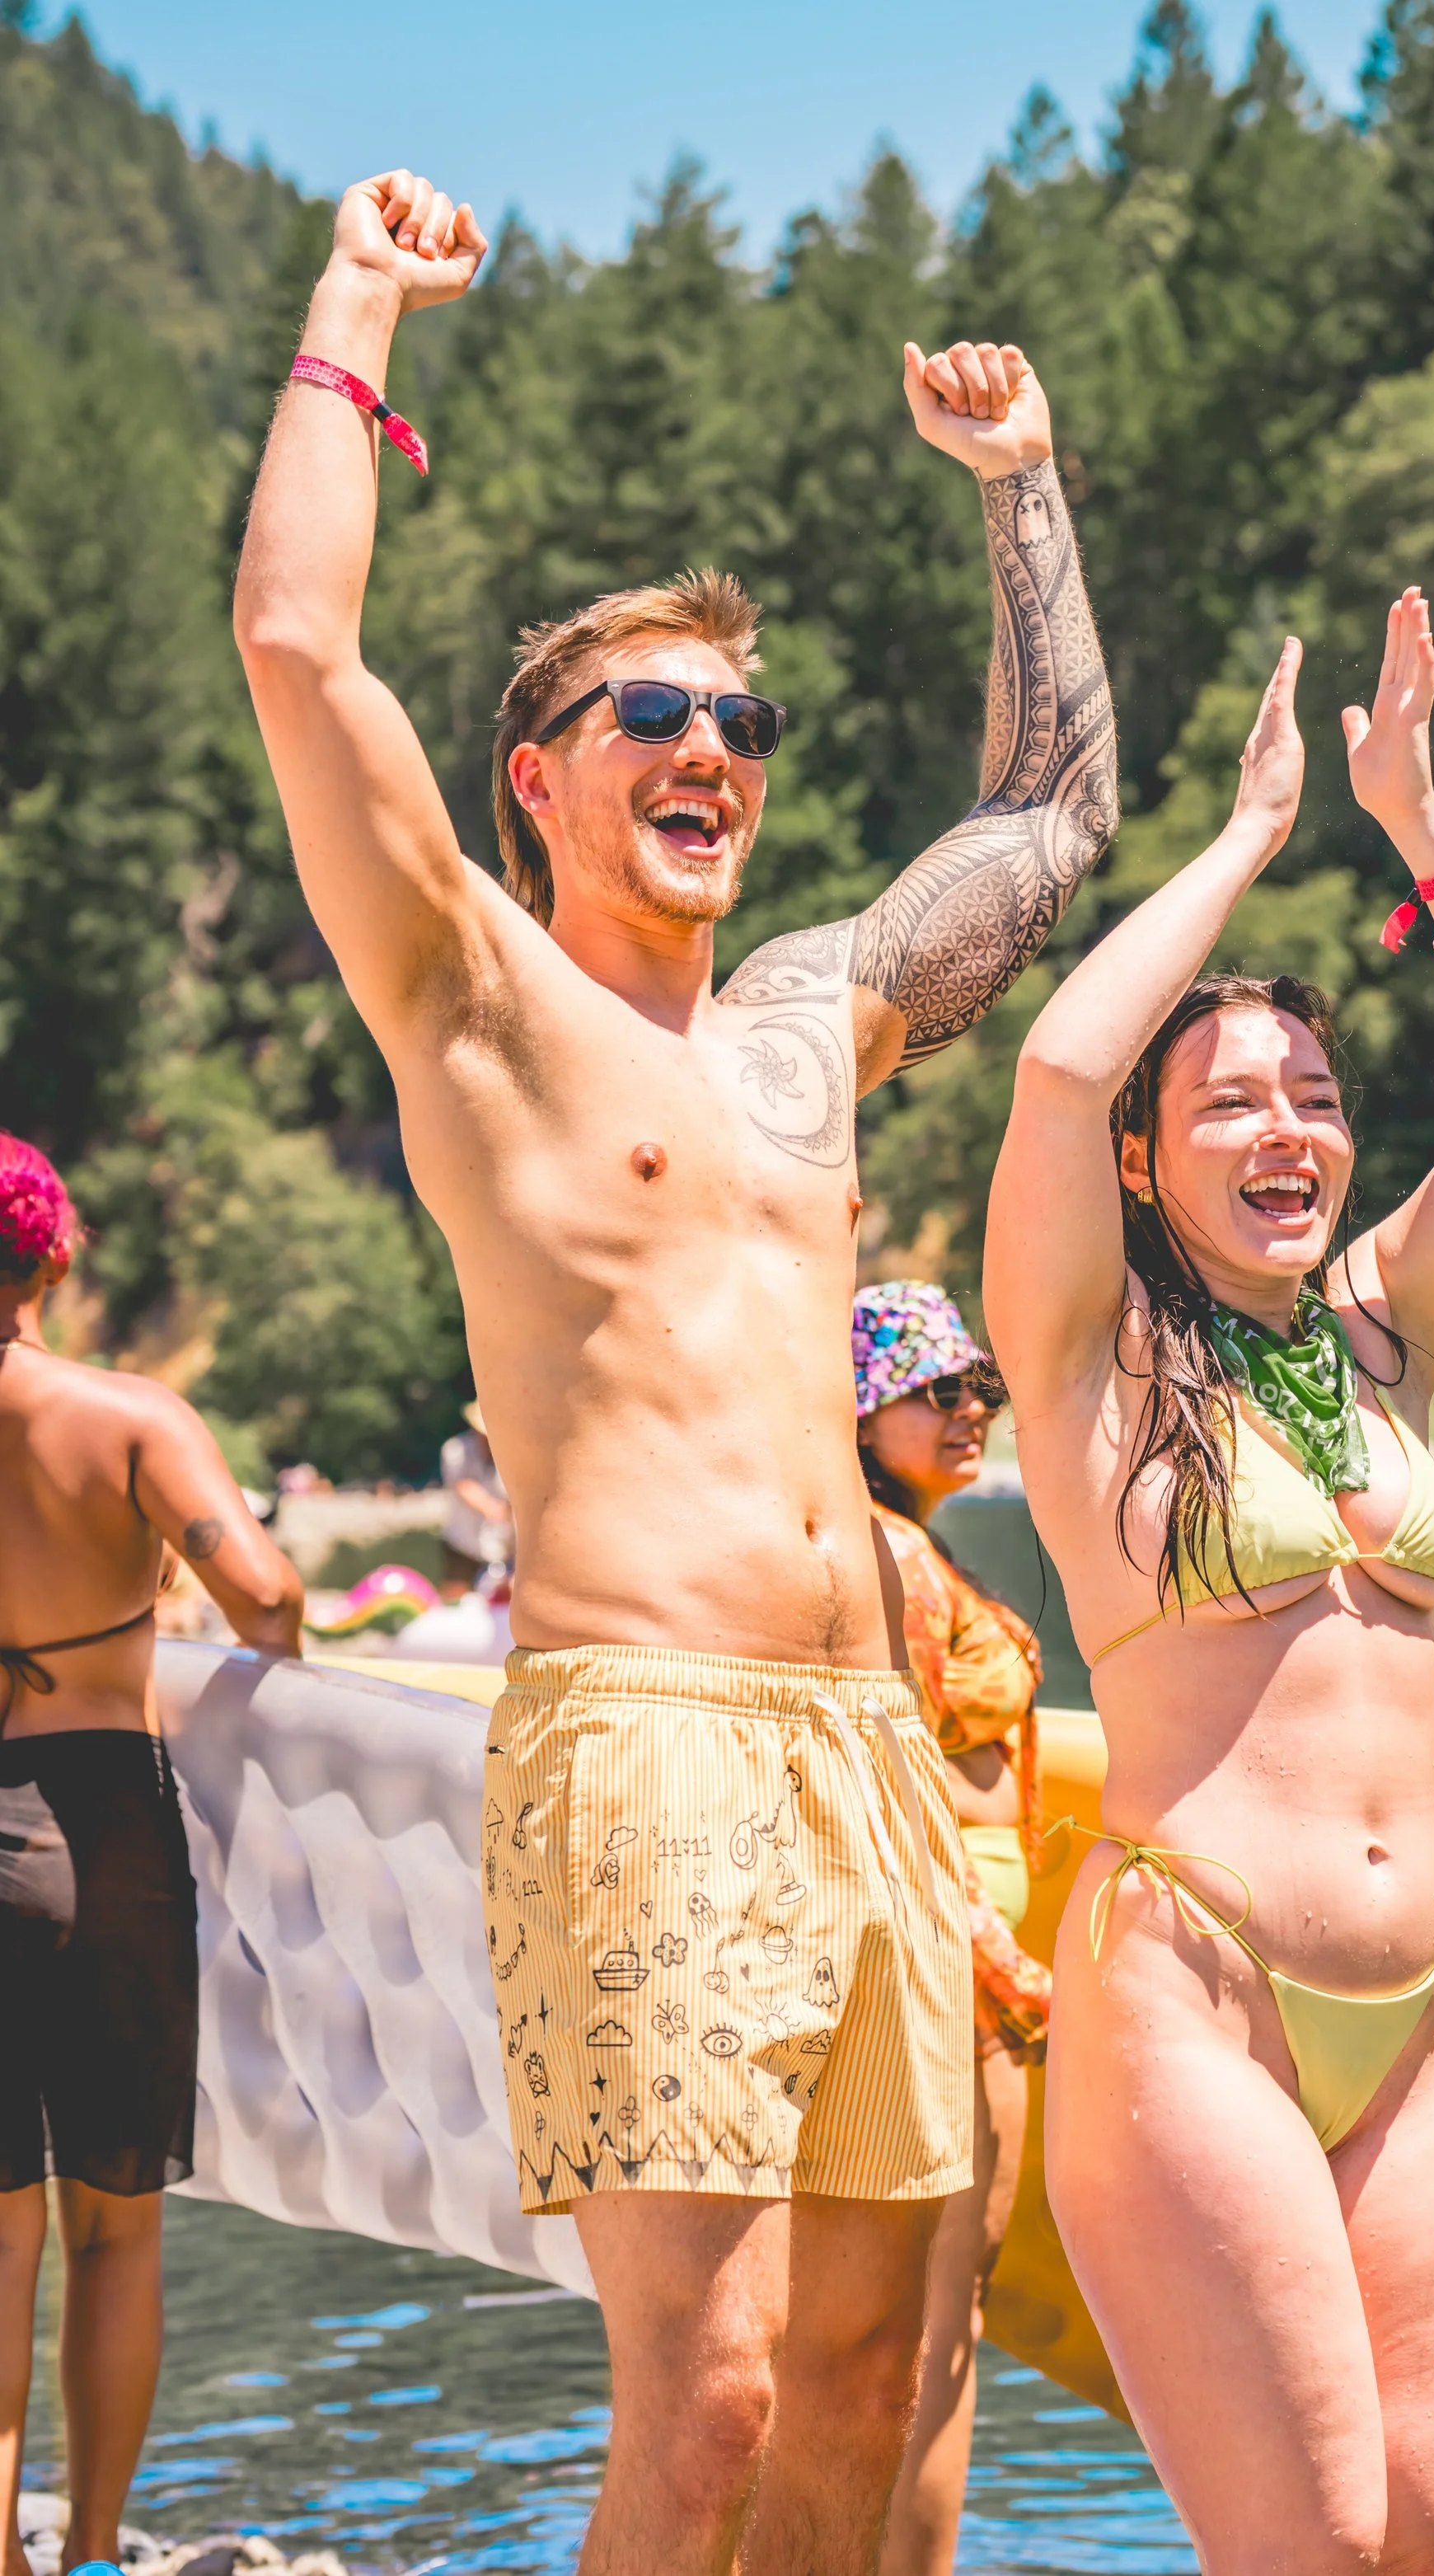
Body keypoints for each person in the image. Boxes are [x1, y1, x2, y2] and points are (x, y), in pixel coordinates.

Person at [232, 167, 1116, 2576]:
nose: (708, 741)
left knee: (869, 2385)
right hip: (642, 1737)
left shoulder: (808, 1028)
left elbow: (1052, 815)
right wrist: (359, 303)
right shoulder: (479, 1011)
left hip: (874, 1757)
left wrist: (1018, 484)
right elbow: (301, 655)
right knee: (710, 2400)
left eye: (738, 715)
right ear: (538, 775)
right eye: (653, 711)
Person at [982, 603, 1434, 2569]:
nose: (1287, 1127)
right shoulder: (1084, 1347)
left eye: (1314, 1094)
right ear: (1151, 1164)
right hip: (1199, 1996)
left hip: (1424, 2011)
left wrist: (1420, 828)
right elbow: (1064, 1057)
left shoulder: (1378, 1336)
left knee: (1427, 2531)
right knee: (1311, 2546)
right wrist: (1250, 835)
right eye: (1232, 1102)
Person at [0, 1136, 303, 2576]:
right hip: (104, 1831)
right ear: (56, 1261)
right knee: (112, 2237)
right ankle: (102, 2553)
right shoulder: (128, 1419)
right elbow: (266, 1592)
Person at [850, 1282, 1050, 2576]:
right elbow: (897, 1777)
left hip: (931, 1951)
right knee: (935, 2330)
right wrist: (1002, 1965)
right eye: (938, 1389)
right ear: (861, 1410)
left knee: (897, 2327)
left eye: (981, 1387)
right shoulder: (896, 1555)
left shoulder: (888, 1540)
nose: (971, 1408)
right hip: (949, 1963)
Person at [440, 1401, 513, 1595]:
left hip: (500, 1547)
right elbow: (462, 1485)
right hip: (462, 1544)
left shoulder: (509, 1453)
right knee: (455, 1597)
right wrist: (491, 1508)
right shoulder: (456, 1449)